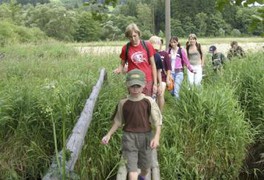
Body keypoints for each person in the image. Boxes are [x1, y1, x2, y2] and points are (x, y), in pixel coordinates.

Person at [102, 69, 162, 180]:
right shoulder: (123, 103)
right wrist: (108, 134)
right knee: (132, 170)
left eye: (138, 86)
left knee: (145, 168)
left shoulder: (149, 101)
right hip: (129, 138)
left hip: (146, 137)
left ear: (143, 85)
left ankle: (142, 176)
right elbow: (118, 121)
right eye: (132, 86)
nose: (135, 89)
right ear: (127, 85)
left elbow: (157, 121)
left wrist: (156, 137)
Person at [114, 23, 158, 97]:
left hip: (146, 79)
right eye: (130, 37)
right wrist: (119, 69)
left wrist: (155, 84)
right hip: (132, 80)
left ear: (138, 34)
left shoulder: (147, 45)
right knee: (134, 102)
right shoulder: (126, 48)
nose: (133, 39)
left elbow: (153, 65)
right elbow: (122, 64)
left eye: (135, 36)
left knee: (146, 102)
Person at [148, 36, 165, 109]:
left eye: (156, 48)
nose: (155, 50)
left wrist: (160, 84)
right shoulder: (144, 55)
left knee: (158, 95)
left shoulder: (157, 56)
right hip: (147, 80)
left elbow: (159, 71)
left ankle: (159, 114)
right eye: (153, 47)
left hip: (155, 80)